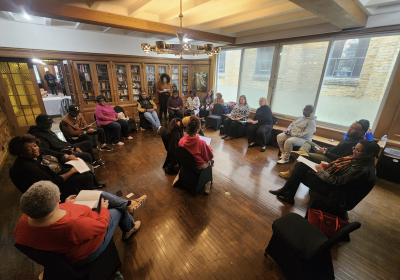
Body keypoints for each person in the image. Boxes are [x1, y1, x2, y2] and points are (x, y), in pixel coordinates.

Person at [14, 181, 147, 266]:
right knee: (117, 210)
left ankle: (129, 205)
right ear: (55, 201)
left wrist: (65, 204)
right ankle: (129, 226)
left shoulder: (23, 221)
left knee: (95, 193)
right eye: (58, 197)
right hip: (85, 253)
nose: (59, 198)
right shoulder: (71, 225)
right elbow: (101, 226)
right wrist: (104, 210)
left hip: (66, 245)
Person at [269, 140, 379, 206]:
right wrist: (327, 166)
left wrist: (322, 172)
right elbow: (341, 172)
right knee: (301, 165)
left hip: (338, 195)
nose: (354, 151)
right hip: (336, 187)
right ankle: (287, 193)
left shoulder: (362, 170)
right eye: (354, 148)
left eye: (358, 150)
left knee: (301, 171)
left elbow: (337, 182)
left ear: (370, 154)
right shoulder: (359, 161)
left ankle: (287, 193)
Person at [8, 135, 105, 200]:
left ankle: (84, 194)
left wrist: (67, 157)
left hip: (56, 174)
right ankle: (85, 201)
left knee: (86, 170)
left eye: (34, 145)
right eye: (28, 148)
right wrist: (71, 172)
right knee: (87, 177)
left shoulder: (38, 151)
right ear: (19, 152)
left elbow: (58, 154)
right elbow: (52, 183)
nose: (34, 149)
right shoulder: (27, 166)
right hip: (48, 190)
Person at [279, 119, 371, 178]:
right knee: (309, 143)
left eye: (354, 128)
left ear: (362, 132)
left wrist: (325, 153)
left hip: (329, 159)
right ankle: (301, 153)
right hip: (327, 153)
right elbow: (337, 148)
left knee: (305, 156)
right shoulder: (349, 137)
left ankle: (291, 172)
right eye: (351, 127)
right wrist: (327, 149)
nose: (350, 129)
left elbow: (340, 158)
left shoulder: (356, 144)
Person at [28, 114, 105, 167]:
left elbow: (59, 142)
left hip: (67, 146)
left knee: (87, 143)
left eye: (50, 123)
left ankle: (93, 161)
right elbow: (47, 152)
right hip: (62, 153)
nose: (50, 125)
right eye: (47, 124)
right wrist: (64, 152)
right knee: (86, 155)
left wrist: (73, 147)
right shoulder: (38, 136)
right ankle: (89, 167)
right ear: (40, 124)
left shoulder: (46, 130)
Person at [178, 115, 213, 193]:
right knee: (210, 162)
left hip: (186, 164)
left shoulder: (182, 140)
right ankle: (207, 182)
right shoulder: (201, 143)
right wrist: (209, 148)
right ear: (197, 130)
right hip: (198, 165)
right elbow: (208, 157)